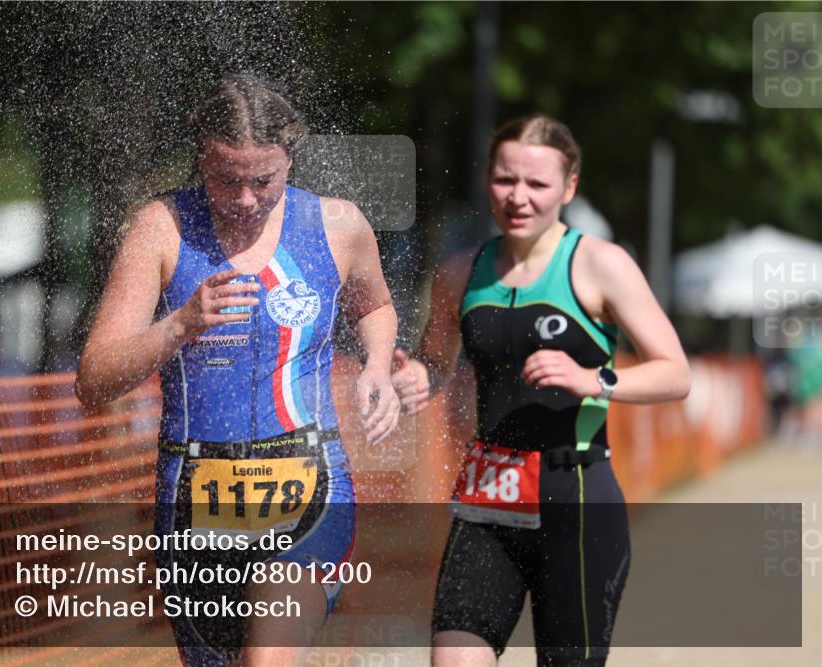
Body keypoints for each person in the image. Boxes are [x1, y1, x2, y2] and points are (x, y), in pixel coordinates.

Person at [75, 74, 400, 666]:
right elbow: (94, 380)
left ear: (290, 159)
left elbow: (374, 305)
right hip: (194, 499)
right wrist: (178, 325)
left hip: (309, 487)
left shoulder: (337, 225)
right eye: (227, 180)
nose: (247, 199)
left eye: (264, 180)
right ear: (201, 158)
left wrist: (377, 365)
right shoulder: (161, 227)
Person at [392, 115, 691, 666]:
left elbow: (675, 372)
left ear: (568, 187)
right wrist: (415, 379)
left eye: (537, 183)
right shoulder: (461, 271)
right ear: (488, 179)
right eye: (505, 179)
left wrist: (593, 379)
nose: (518, 197)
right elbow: (435, 362)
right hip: (488, 496)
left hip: (574, 499)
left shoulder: (600, 264)